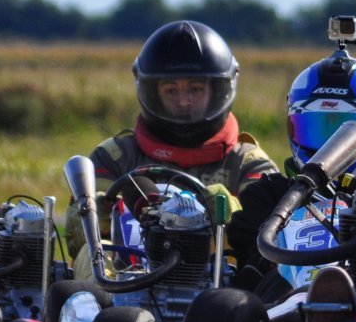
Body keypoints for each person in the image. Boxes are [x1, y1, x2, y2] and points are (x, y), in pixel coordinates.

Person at [64, 20, 277, 262]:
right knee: (90, 256)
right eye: (171, 91)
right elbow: (76, 236)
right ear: (153, 93)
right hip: (125, 286)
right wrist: (101, 216)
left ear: (218, 91)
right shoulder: (114, 157)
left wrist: (230, 210)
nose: (184, 101)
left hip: (222, 289)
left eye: (196, 90)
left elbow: (274, 235)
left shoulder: (249, 162)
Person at [225, 33, 356, 301]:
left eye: (344, 130)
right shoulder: (268, 197)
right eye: (317, 128)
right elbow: (242, 266)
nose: (331, 145)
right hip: (285, 312)